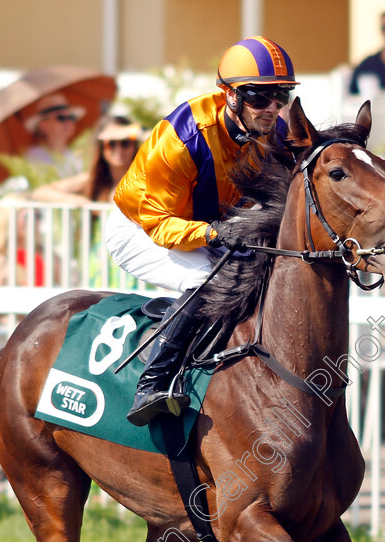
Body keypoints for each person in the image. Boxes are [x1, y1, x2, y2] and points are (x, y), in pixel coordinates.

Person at [105, 36, 298, 426]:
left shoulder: (272, 133)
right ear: (229, 95)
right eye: (259, 97)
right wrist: (215, 235)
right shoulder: (183, 139)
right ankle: (154, 381)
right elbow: (159, 223)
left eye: (282, 96)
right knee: (211, 280)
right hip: (141, 226)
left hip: (210, 224)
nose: (273, 108)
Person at [32, 115, 142, 288]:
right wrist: (76, 200)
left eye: (125, 142)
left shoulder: (144, 181)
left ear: (134, 145)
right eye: (111, 143)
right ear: (101, 146)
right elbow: (40, 192)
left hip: (135, 262)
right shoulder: (93, 181)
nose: (118, 148)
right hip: (100, 264)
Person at [22, 93, 86, 178]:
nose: (68, 122)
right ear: (43, 124)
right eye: (61, 118)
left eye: (71, 117)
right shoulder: (34, 157)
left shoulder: (75, 158)